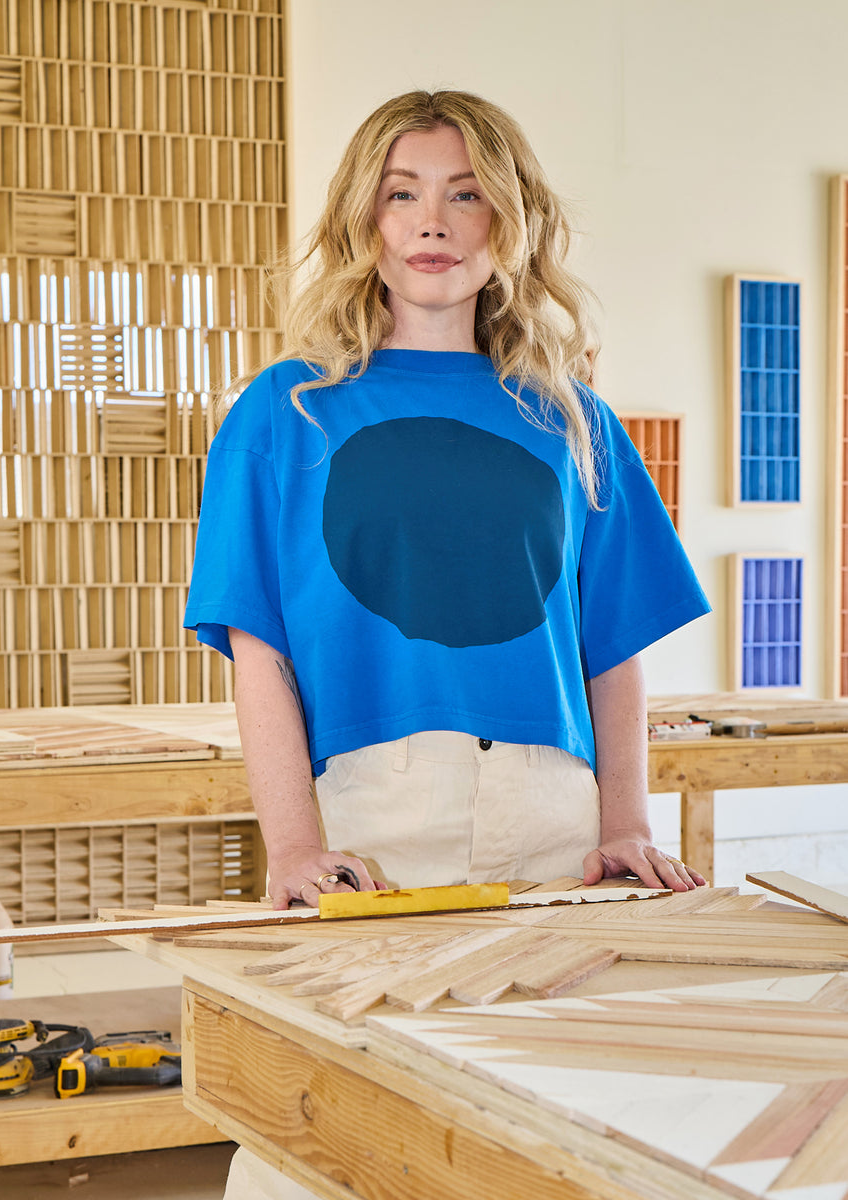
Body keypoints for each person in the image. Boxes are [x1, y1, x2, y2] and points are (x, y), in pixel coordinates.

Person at [184, 88, 710, 1199]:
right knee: (317, 1140)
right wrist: (291, 843)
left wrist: (624, 821)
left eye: (467, 195)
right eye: (403, 194)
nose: (434, 222)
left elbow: (610, 648)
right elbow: (256, 644)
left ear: (507, 223)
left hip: (550, 819)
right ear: (364, 223)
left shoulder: (571, 417)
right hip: (373, 817)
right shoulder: (285, 411)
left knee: (546, 1135)